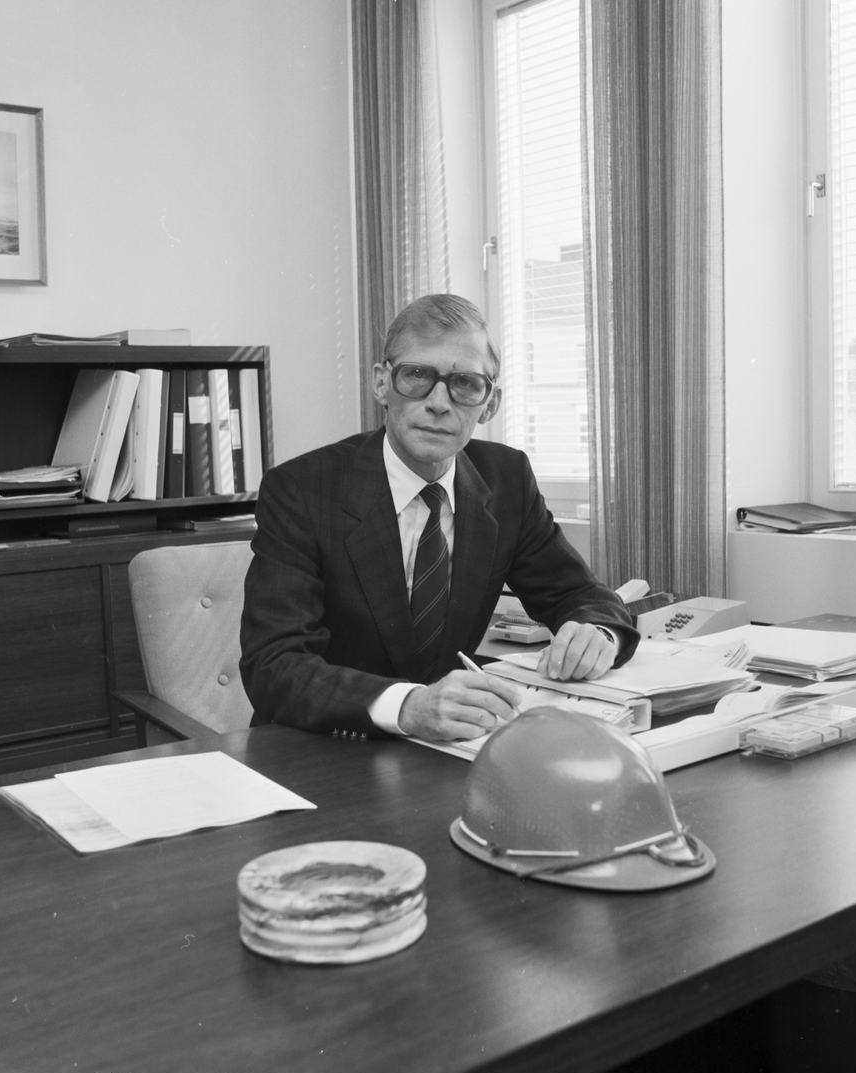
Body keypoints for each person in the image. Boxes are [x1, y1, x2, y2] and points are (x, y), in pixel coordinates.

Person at [240, 293, 638, 742]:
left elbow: (579, 594)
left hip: (450, 748)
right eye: (417, 375)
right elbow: (274, 665)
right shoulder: (302, 489)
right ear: (381, 384)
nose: (439, 403)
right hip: (325, 747)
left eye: (465, 383)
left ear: (490, 403)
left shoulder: (506, 477)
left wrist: (597, 633)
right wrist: (408, 706)